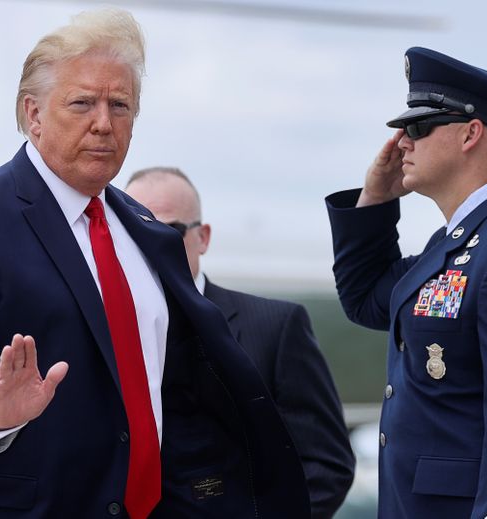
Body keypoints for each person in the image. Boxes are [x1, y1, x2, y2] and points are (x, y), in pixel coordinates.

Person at [0, 8, 310, 519]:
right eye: (82, 103)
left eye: (121, 105)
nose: (104, 123)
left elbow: (173, 384)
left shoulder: (146, 230)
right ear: (34, 114)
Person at [325, 46, 487, 518]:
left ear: (471, 133)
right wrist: (373, 199)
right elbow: (367, 299)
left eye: (417, 127)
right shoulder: (459, 242)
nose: (401, 142)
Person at [124, 167, 355, 518]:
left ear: (203, 237)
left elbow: (327, 463)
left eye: (170, 230)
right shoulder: (104, 331)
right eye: (136, 230)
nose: (153, 243)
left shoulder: (277, 326)